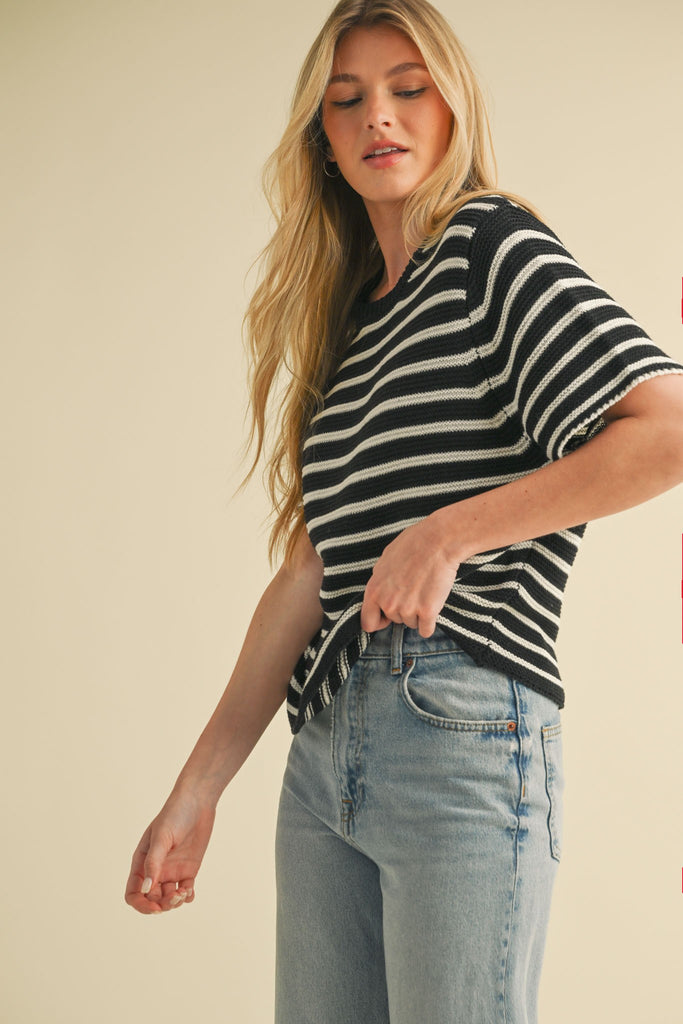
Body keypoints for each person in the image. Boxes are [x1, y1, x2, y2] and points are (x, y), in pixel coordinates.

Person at [125, 1, 683, 1021]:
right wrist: (198, 788)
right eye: (345, 101)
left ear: (452, 104)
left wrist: (447, 532)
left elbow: (666, 428)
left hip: (458, 726)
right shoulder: (351, 327)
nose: (376, 116)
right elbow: (309, 573)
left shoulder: (487, 246)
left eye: (407, 87)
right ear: (323, 141)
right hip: (322, 748)